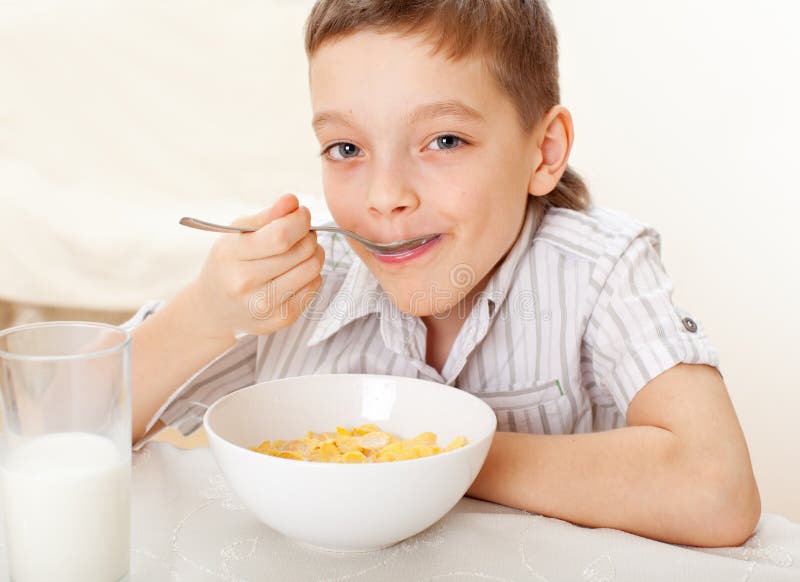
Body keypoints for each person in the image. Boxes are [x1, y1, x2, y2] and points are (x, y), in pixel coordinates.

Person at [128, 0, 760, 547]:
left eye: (444, 141)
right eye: (346, 149)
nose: (384, 196)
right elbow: (62, 422)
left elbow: (717, 488)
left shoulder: (598, 270)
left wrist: (427, 458)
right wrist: (205, 315)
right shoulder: (303, 286)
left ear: (543, 153)